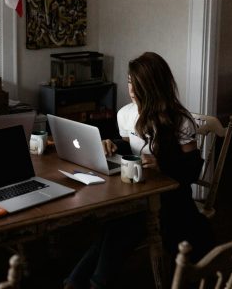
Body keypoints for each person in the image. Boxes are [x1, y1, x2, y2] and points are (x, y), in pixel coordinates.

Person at [64, 52, 214, 289]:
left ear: (153, 85)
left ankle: (88, 282)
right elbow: (131, 145)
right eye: (129, 81)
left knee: (121, 226)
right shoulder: (125, 114)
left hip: (170, 198)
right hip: (137, 191)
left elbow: (193, 169)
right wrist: (112, 144)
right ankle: (79, 281)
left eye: (138, 83)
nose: (131, 89)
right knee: (114, 225)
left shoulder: (180, 121)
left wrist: (162, 164)